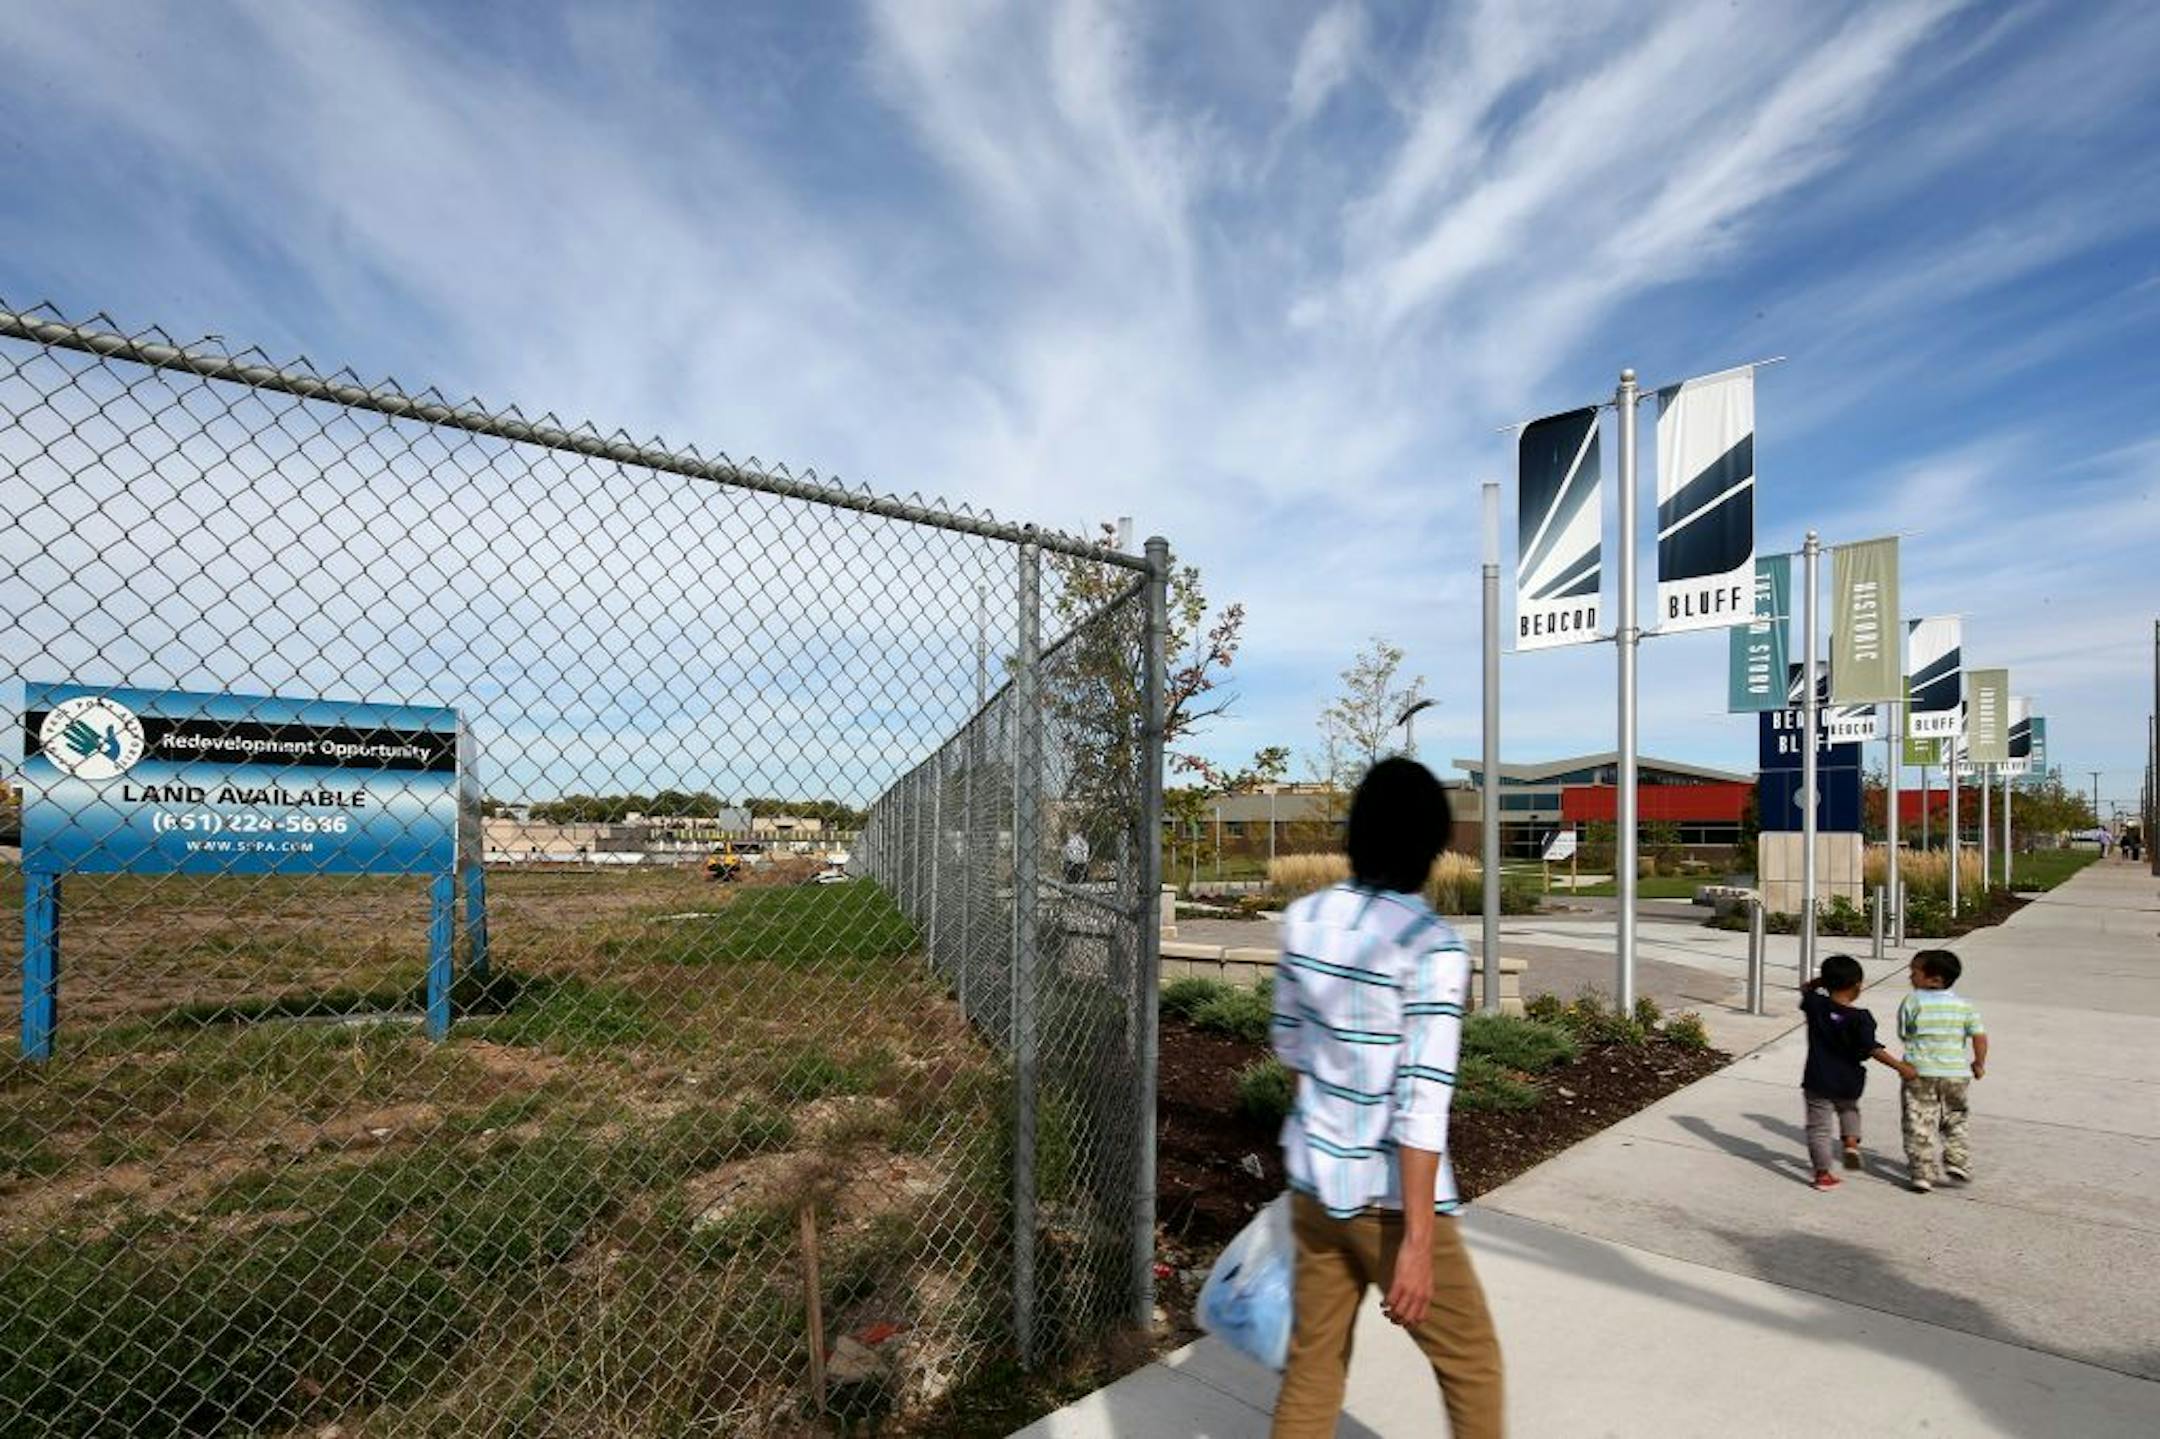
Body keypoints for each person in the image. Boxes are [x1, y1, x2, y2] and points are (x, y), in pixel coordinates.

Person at [1266, 757, 1502, 1439]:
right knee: (1472, 1364)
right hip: (1391, 1201)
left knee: (1313, 1368)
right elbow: (1422, 1102)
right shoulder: (1430, 947)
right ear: (1433, 843)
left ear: (1358, 832)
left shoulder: (1304, 919)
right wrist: (1419, 1243)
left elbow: (1291, 1048)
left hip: (1316, 1188)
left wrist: (1327, 1129)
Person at [1799, 953, 1915, 1191]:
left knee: (1819, 1128)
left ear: (1826, 982)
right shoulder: (1860, 1019)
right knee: (1849, 1110)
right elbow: (1872, 1048)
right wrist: (1900, 1066)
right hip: (1848, 1080)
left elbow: (1806, 989)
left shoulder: (1816, 1006)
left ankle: (1822, 1174)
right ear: (1857, 985)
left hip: (1817, 1078)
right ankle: (1851, 1143)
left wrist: (1820, 982)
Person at [1897, 949, 1988, 1193]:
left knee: (1918, 1120)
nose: (1910, 976)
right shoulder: (1964, 1006)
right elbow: (1979, 1036)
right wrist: (1979, 1063)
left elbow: (1905, 1033)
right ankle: (1957, 1161)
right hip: (1956, 1073)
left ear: (1934, 978)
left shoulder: (1912, 1001)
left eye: (1914, 972)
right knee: (1955, 1117)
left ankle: (1922, 1172)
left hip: (1920, 1072)